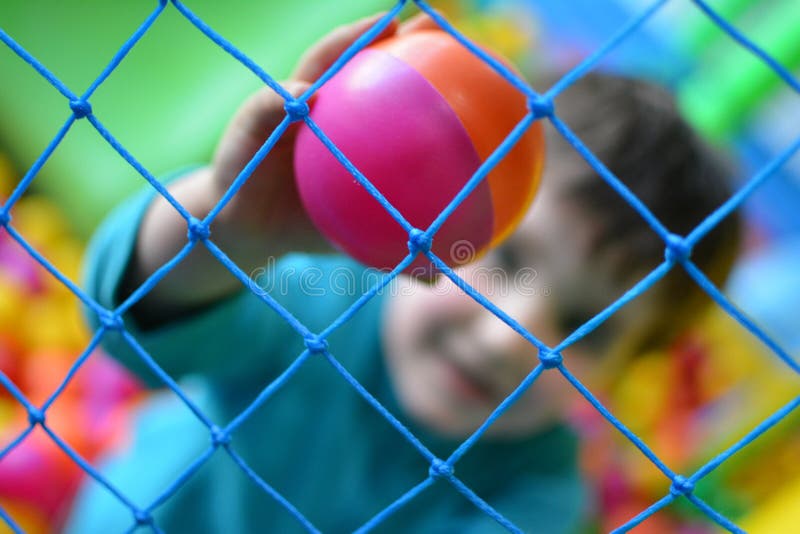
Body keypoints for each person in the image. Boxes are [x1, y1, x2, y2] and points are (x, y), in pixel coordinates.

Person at [65, 11, 740, 534]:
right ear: (435, 208)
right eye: (503, 260)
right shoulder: (321, 298)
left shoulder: (535, 492)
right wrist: (230, 230)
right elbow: (129, 326)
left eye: (585, 330)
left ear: (624, 371)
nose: (513, 340)